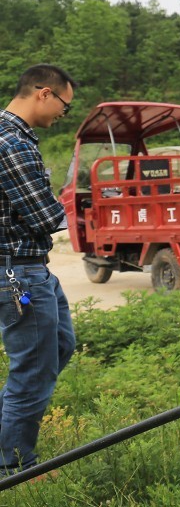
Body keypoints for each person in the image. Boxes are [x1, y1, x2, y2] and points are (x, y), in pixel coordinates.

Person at [1, 64, 78, 476]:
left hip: (32, 269)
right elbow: (45, 215)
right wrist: (68, 205)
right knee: (32, 370)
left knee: (60, 346)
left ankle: (5, 443)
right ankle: (15, 468)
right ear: (44, 93)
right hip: (18, 274)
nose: (62, 116)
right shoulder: (11, 142)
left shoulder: (15, 137)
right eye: (64, 107)